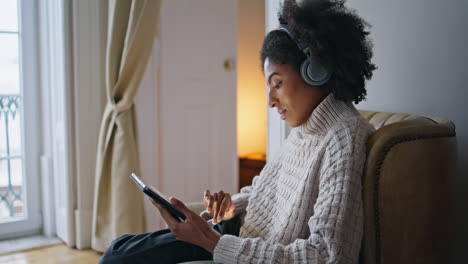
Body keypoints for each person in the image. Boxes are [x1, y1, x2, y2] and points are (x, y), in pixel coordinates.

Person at [100, 0, 377, 263]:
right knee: (119, 247)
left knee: (118, 257)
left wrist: (212, 242)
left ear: (316, 71)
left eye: (277, 83)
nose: (270, 100)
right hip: (235, 234)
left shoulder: (343, 137)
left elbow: (329, 256)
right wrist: (232, 206)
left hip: (236, 247)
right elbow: (264, 194)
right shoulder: (306, 128)